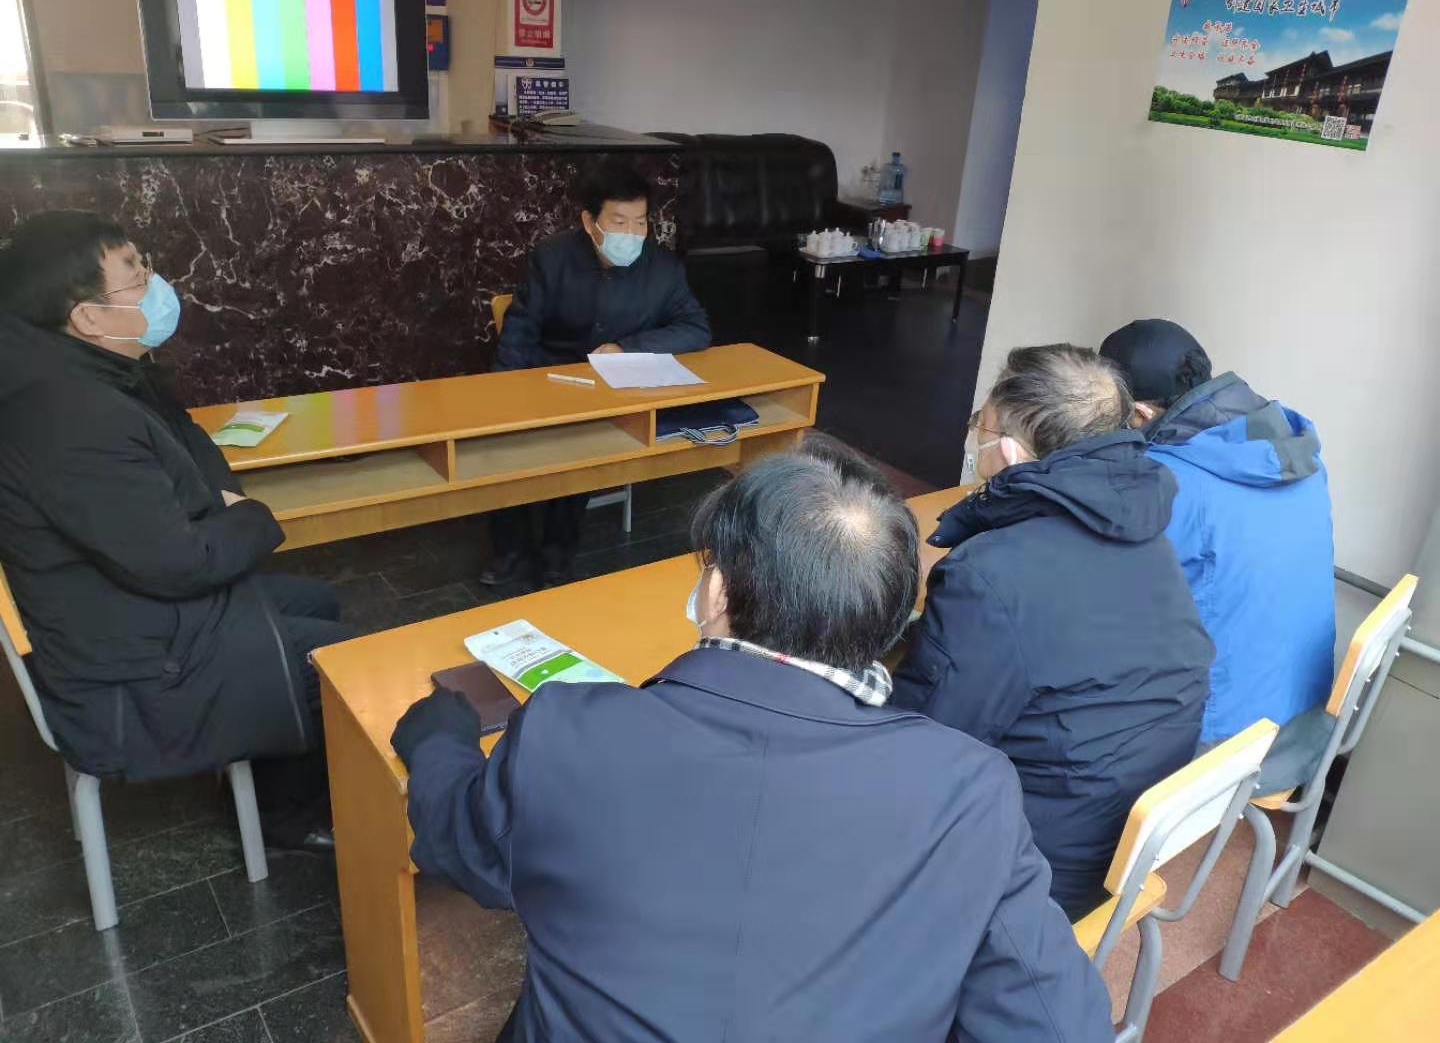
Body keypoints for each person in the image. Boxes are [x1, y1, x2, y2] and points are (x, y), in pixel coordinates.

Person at [394, 439, 1113, 1042]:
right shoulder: (970, 789)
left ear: (717, 594)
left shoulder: (569, 730)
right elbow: (1057, 1024)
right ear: (889, 622)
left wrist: (439, 737)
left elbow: (463, 850)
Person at [0, 211, 353, 849]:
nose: (157, 286)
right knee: (343, 661)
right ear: (89, 316)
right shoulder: (71, 415)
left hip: (134, 611)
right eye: (137, 276)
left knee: (318, 601)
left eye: (147, 264)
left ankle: (271, 790)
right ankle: (289, 816)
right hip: (128, 666)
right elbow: (179, 564)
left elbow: (186, 461)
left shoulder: (93, 372)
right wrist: (251, 515)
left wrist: (224, 506)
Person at [892, 344, 1213, 918]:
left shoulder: (989, 575)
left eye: (981, 425)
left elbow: (928, 743)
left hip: (1033, 869)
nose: (975, 438)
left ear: (1010, 450)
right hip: (1119, 840)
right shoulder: (1143, 531)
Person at [1099, 319, 1335, 747]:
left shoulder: (1168, 483)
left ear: (1141, 413)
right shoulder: (1295, 455)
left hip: (1220, 745)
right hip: (1302, 716)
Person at [482, 162, 711, 588]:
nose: (632, 233)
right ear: (590, 222)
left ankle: (558, 552)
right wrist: (504, 394)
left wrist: (628, 347)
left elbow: (696, 328)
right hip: (545, 375)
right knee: (502, 445)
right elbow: (521, 328)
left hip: (606, 390)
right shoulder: (552, 258)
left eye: (640, 222)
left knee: (585, 439)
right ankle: (510, 551)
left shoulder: (663, 268)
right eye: (619, 222)